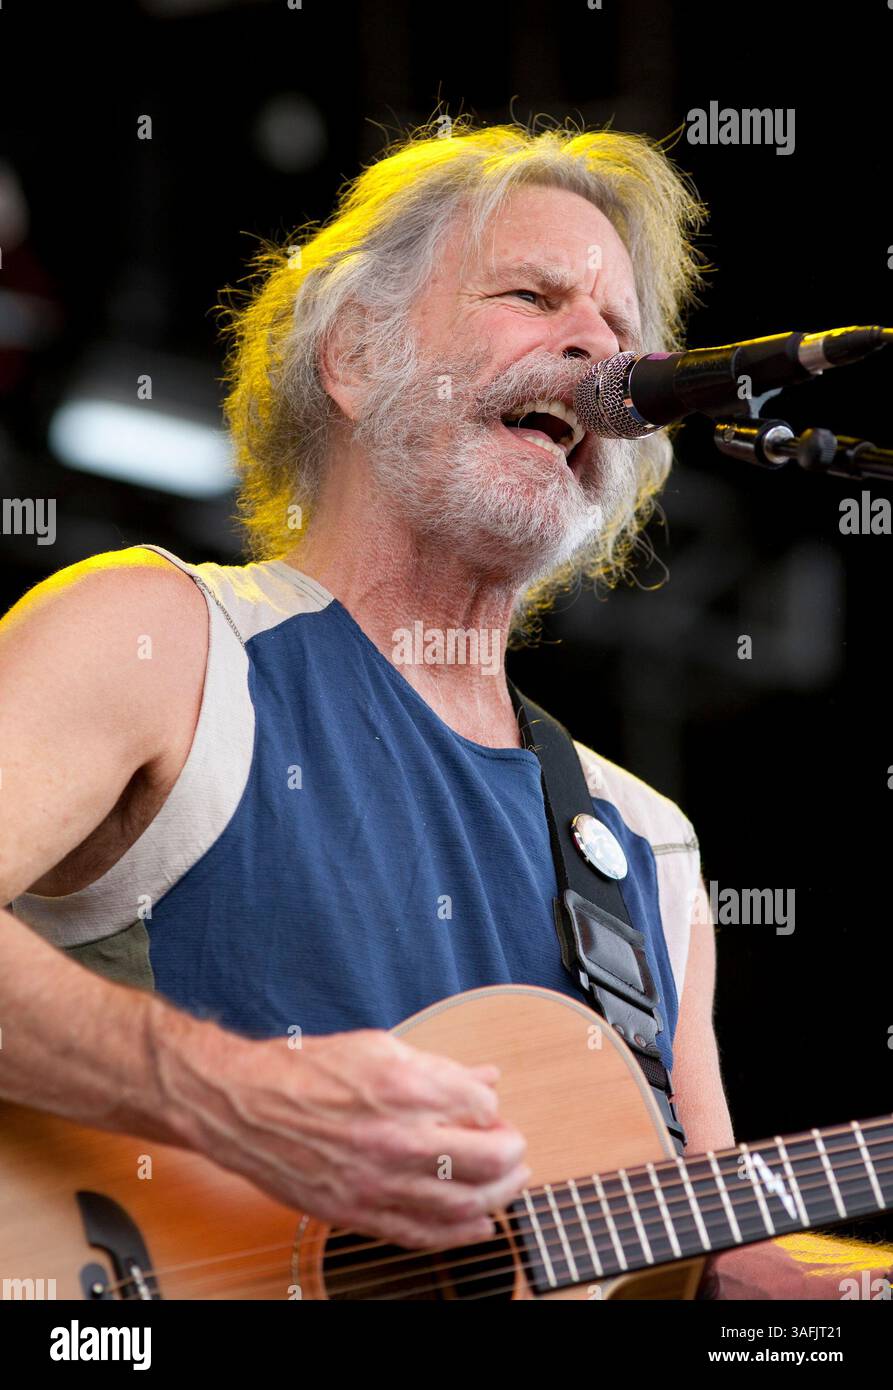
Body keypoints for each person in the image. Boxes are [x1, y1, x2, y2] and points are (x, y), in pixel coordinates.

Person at [1, 119, 889, 1298]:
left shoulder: (646, 846)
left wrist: (842, 1293)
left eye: (619, 330)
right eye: (531, 296)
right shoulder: (157, 641)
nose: (598, 348)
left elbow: (718, 1272)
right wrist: (236, 1095)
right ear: (355, 355)